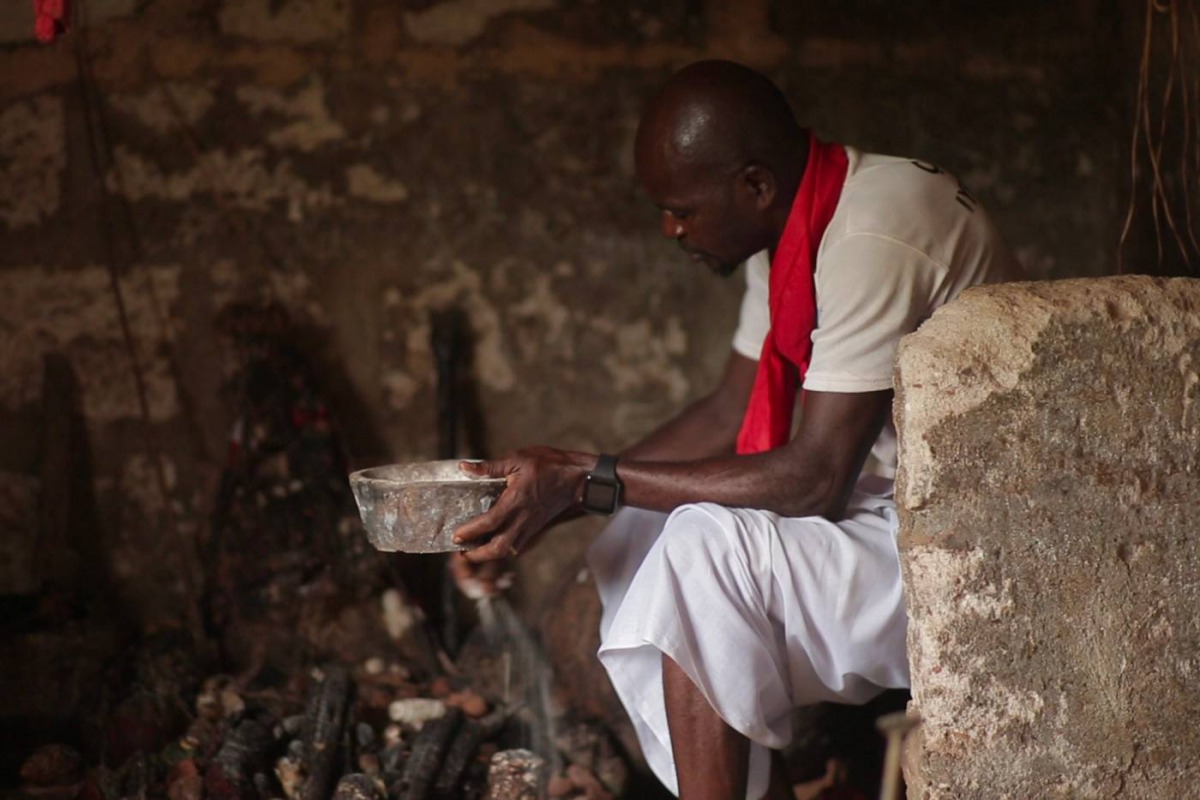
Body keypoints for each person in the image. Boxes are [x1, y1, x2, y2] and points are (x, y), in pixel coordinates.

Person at [451, 60, 1021, 799]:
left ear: (755, 185)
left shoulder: (873, 233)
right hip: (885, 512)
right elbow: (729, 413)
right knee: (636, 536)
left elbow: (815, 478)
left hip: (964, 544)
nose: (670, 228)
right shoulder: (798, 224)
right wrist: (539, 505)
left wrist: (585, 478)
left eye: (682, 209)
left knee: (697, 552)